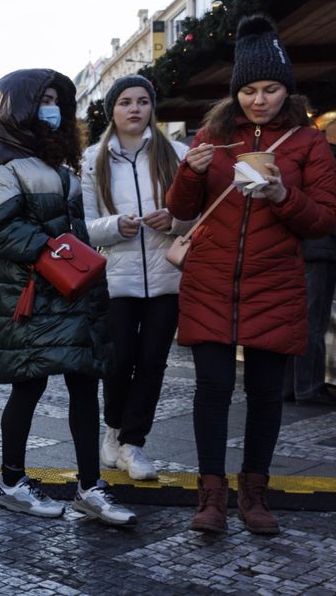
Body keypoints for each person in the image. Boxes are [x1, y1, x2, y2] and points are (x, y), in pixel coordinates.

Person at [167, 15, 336, 535]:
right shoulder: (213, 136)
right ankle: (211, 497)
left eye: (269, 89)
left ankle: (255, 494)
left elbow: (325, 219)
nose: (258, 100)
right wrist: (189, 171)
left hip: (275, 283)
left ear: (286, 90)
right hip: (211, 280)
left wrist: (283, 196)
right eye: (248, 90)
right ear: (235, 92)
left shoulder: (309, 143)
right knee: (212, 390)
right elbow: (179, 210)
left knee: (265, 394)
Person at [0, 68, 135, 527]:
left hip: (74, 291)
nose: (53, 107)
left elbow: (74, 225)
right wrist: (52, 250)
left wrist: (75, 256)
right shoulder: (0, 160)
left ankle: (89, 487)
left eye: (56, 100)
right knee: (30, 385)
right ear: (19, 106)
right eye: (43, 99)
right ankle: (10, 482)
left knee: (85, 384)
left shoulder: (58, 162)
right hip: (33, 293)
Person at [82, 74, 189, 481]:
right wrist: (116, 226)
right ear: (113, 109)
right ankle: (113, 430)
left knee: (152, 363)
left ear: (152, 107)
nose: (134, 109)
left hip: (167, 277)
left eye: (142, 101)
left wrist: (175, 219)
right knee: (119, 360)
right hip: (116, 278)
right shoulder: (93, 159)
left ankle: (133, 442)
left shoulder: (176, 153)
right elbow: (87, 226)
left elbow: (198, 215)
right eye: (125, 101)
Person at [285, 115, 336, 407]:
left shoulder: (311, 161)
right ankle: (310, 387)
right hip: (320, 255)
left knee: (296, 322)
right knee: (313, 324)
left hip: (300, 252)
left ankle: (290, 387)